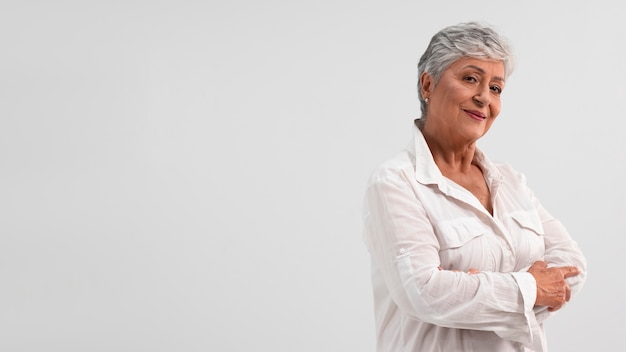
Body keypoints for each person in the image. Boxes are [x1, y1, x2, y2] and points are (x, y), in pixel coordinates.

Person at [362, 22, 587, 352]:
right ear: (428, 84)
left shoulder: (511, 182)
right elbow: (424, 292)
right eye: (470, 78)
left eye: (496, 88)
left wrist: (475, 290)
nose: (484, 97)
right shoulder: (395, 183)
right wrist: (530, 289)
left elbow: (572, 268)